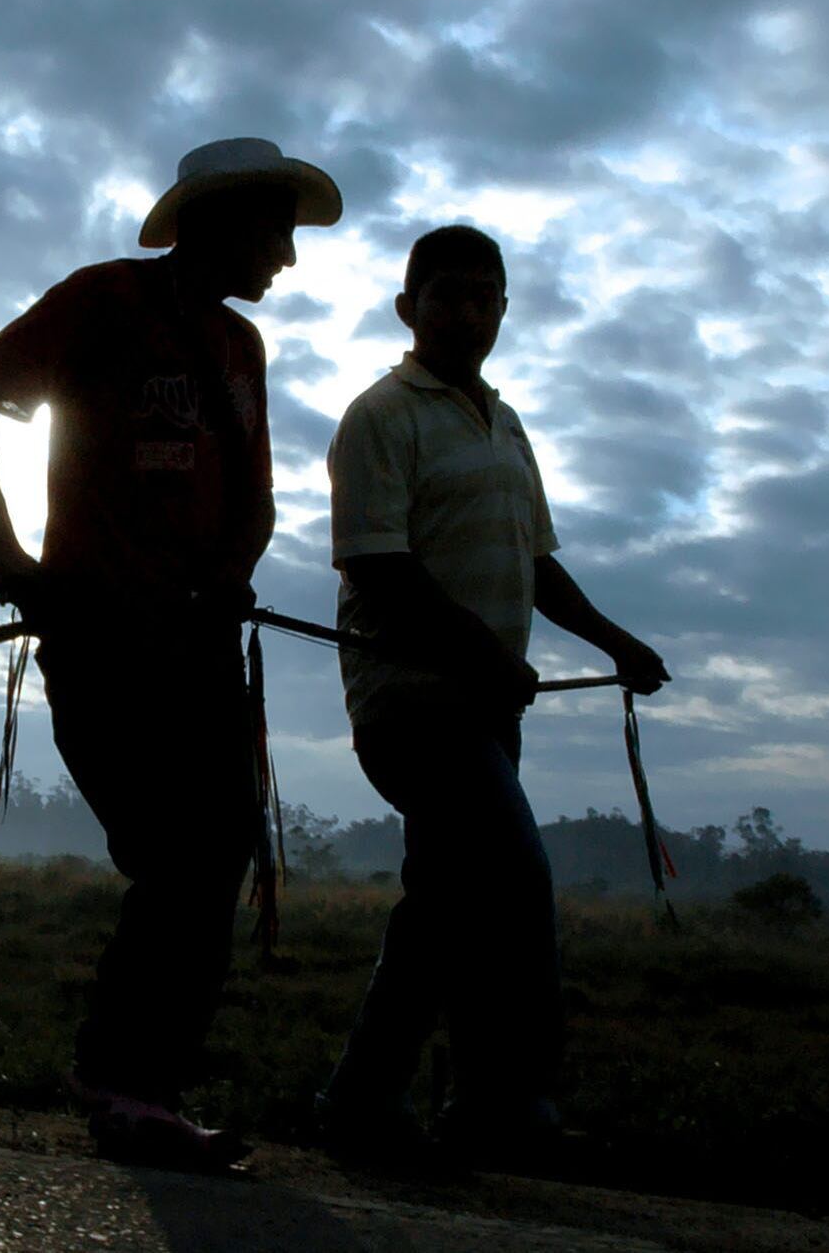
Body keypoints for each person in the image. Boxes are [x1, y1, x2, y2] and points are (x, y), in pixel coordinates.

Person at [0, 137, 341, 1166]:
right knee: (182, 850)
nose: (287, 256)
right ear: (217, 220)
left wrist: (231, 571)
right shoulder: (103, 300)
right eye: (274, 230)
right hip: (101, 631)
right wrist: (6, 552)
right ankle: (127, 1081)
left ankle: (137, 1082)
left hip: (200, 642)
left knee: (217, 848)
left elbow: (256, 497)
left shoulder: (242, 348)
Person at [314, 224, 669, 1169]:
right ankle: (506, 1103)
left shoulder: (506, 426)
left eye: (487, 297)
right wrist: (483, 653)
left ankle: (368, 1101)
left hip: (485, 709)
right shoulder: (380, 415)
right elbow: (375, 563)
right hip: (411, 704)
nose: (470, 313)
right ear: (408, 308)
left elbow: (537, 564)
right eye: (449, 296)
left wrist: (618, 643)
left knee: (445, 904)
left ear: (505, 310)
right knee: (514, 881)